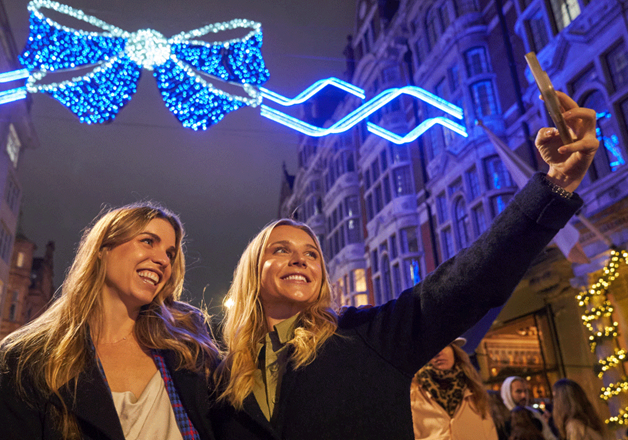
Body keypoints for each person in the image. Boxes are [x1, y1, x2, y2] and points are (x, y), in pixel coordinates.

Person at [212, 91, 597, 440]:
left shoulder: (368, 335)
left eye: (312, 253)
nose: (300, 258)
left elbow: (468, 280)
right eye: (280, 249)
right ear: (251, 271)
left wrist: (555, 185)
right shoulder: (217, 366)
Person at [0, 203, 220, 440]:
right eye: (148, 241)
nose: (163, 260)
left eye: (170, 254)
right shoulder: (25, 357)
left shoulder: (189, 343)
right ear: (103, 248)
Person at [411, 338, 497, 440]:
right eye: (432, 348)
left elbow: (489, 434)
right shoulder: (413, 395)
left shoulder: (475, 392)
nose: (439, 353)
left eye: (445, 345)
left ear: (454, 351)